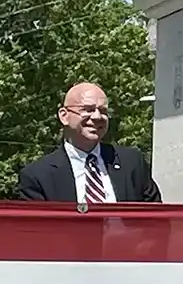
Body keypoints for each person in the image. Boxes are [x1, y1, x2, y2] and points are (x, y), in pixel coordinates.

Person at [17, 82, 162, 203]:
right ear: (64, 116)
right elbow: (36, 231)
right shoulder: (37, 176)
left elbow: (156, 220)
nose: (97, 116)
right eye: (88, 110)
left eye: (103, 111)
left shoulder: (131, 162)